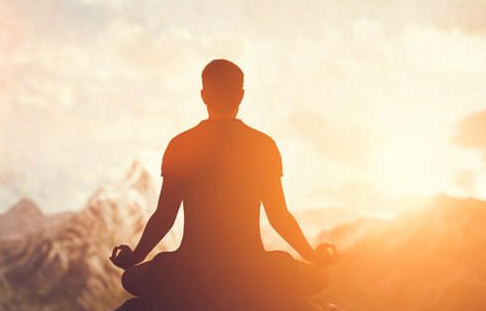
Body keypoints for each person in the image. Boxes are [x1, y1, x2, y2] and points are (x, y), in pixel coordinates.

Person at [110, 59, 337, 298]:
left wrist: (134, 257)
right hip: (251, 268)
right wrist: (313, 255)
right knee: (317, 278)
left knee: (131, 278)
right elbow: (278, 215)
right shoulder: (263, 145)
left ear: (204, 96)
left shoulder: (181, 144)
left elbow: (165, 216)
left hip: (190, 268)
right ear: (241, 95)